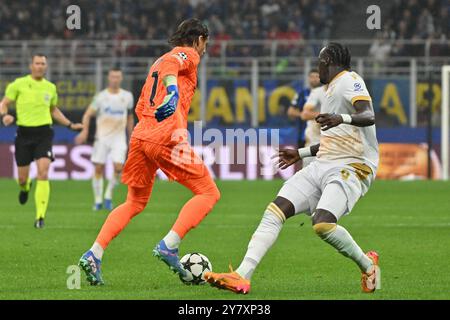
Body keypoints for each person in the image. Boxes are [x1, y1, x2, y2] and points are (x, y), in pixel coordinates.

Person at [205, 43, 380, 294]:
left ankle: (368, 265)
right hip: (323, 163)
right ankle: (242, 276)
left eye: (320, 61)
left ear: (329, 60)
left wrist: (341, 118)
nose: (317, 66)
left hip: (352, 166)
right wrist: (299, 153)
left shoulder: (349, 80)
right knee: (275, 210)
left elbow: (369, 115)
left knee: (322, 224)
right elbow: (336, 140)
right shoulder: (329, 89)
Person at [78, 19, 220, 285]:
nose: (204, 50)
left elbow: (143, 103)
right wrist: (174, 92)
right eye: (205, 44)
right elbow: (172, 66)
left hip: (141, 135)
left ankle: (94, 254)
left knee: (135, 202)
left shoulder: (156, 63)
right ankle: (170, 244)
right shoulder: (185, 54)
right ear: (199, 38)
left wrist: (154, 120)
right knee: (209, 192)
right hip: (165, 136)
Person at [0, 54, 83, 228]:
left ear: (46, 67)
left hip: (44, 133)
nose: (40, 66)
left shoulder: (50, 88)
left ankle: (40, 217)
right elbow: (4, 103)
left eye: (43, 64)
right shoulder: (18, 84)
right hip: (23, 134)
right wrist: (4, 116)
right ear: (31, 66)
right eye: (37, 63)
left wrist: (69, 124)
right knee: (22, 179)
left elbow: (53, 110)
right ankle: (25, 188)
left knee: (43, 173)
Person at [75, 68, 135, 211]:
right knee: (98, 168)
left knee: (118, 167)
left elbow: (130, 117)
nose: (115, 79)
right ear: (109, 78)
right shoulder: (100, 97)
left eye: (118, 77)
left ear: (121, 78)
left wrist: (131, 135)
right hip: (102, 138)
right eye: (113, 77)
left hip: (119, 138)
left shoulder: (127, 96)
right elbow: (88, 114)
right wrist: (84, 131)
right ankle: (98, 200)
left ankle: (108, 195)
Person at [287, 69, 325, 167]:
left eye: (317, 77)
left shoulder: (326, 92)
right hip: (304, 132)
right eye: (312, 77)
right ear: (308, 78)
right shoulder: (302, 93)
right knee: (305, 162)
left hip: (324, 133)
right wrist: (306, 115)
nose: (314, 79)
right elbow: (291, 111)